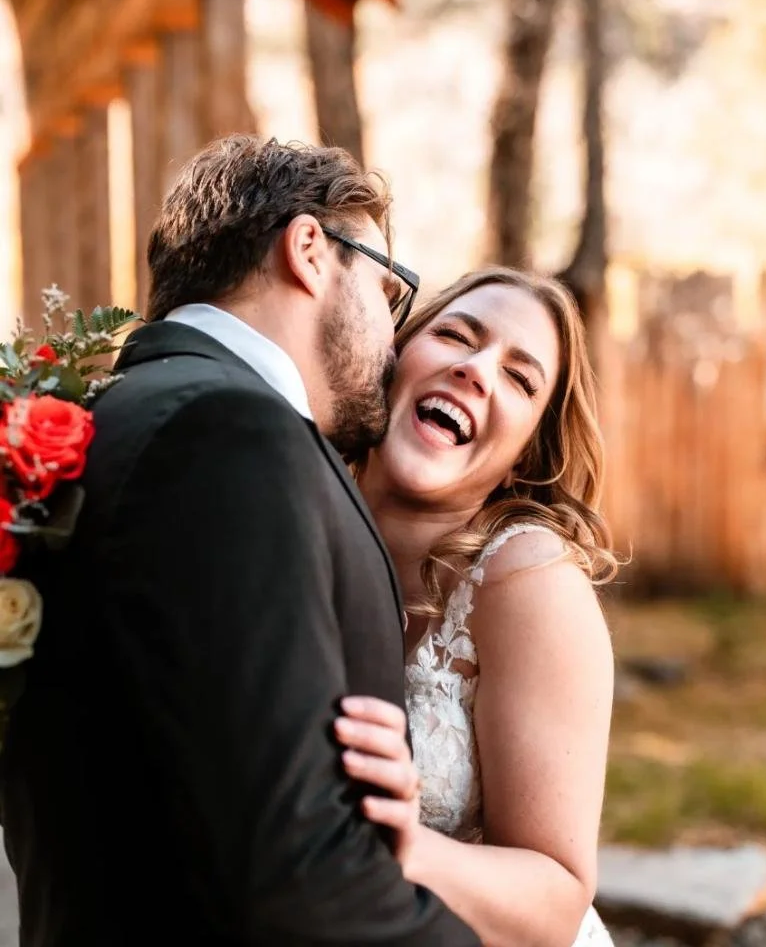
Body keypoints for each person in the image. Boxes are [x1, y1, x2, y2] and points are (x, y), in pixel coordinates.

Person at [0, 136, 478, 946]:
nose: (393, 342)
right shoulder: (227, 434)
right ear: (309, 251)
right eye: (386, 292)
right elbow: (293, 873)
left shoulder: (110, 420)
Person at [334, 268, 618, 945]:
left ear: (522, 456)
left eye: (520, 379)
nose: (474, 369)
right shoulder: (297, 513)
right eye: (457, 335)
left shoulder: (527, 579)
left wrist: (405, 845)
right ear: (390, 358)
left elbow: (555, 901)